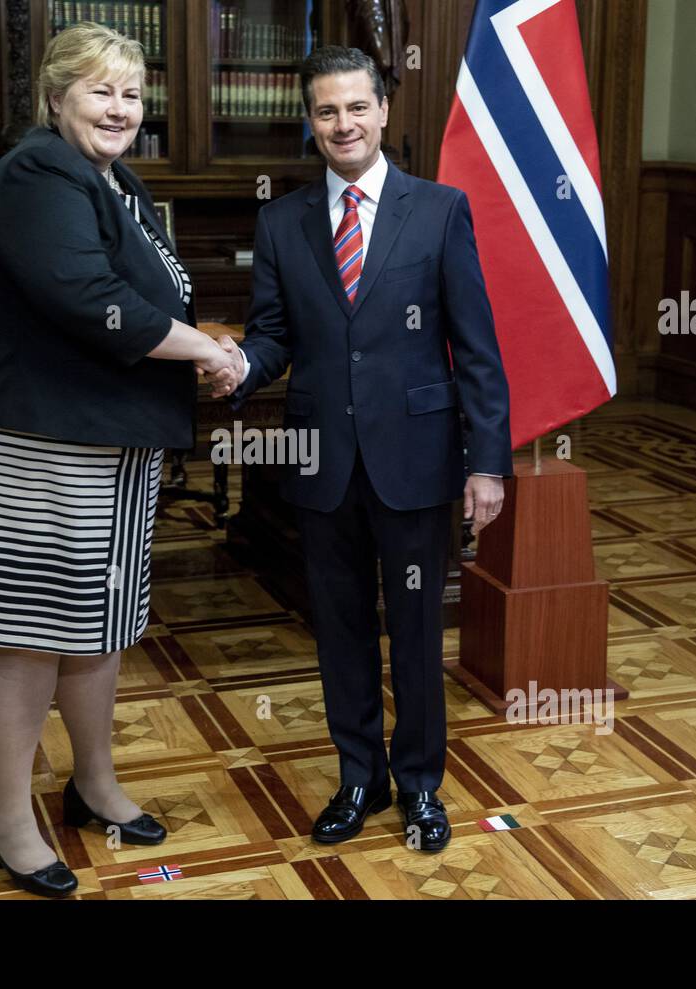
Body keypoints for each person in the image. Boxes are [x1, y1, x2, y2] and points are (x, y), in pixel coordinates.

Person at [0, 22, 236, 897]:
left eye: (133, 94)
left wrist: (195, 350)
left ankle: (93, 784)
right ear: (56, 97)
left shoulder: (117, 181)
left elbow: (157, 296)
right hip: (31, 447)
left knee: (100, 625)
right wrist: (207, 353)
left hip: (109, 445)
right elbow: (90, 300)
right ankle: (10, 820)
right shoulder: (38, 172)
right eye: (100, 90)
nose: (119, 107)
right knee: (27, 636)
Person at [212, 46, 512, 853]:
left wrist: (488, 461)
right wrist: (238, 366)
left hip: (416, 461)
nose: (342, 124)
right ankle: (359, 777)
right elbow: (275, 334)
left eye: (355, 107)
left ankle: (419, 784)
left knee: (414, 628)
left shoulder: (440, 210)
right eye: (325, 111)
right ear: (310, 123)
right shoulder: (282, 221)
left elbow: (476, 348)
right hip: (322, 462)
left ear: (382, 111)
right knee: (339, 626)